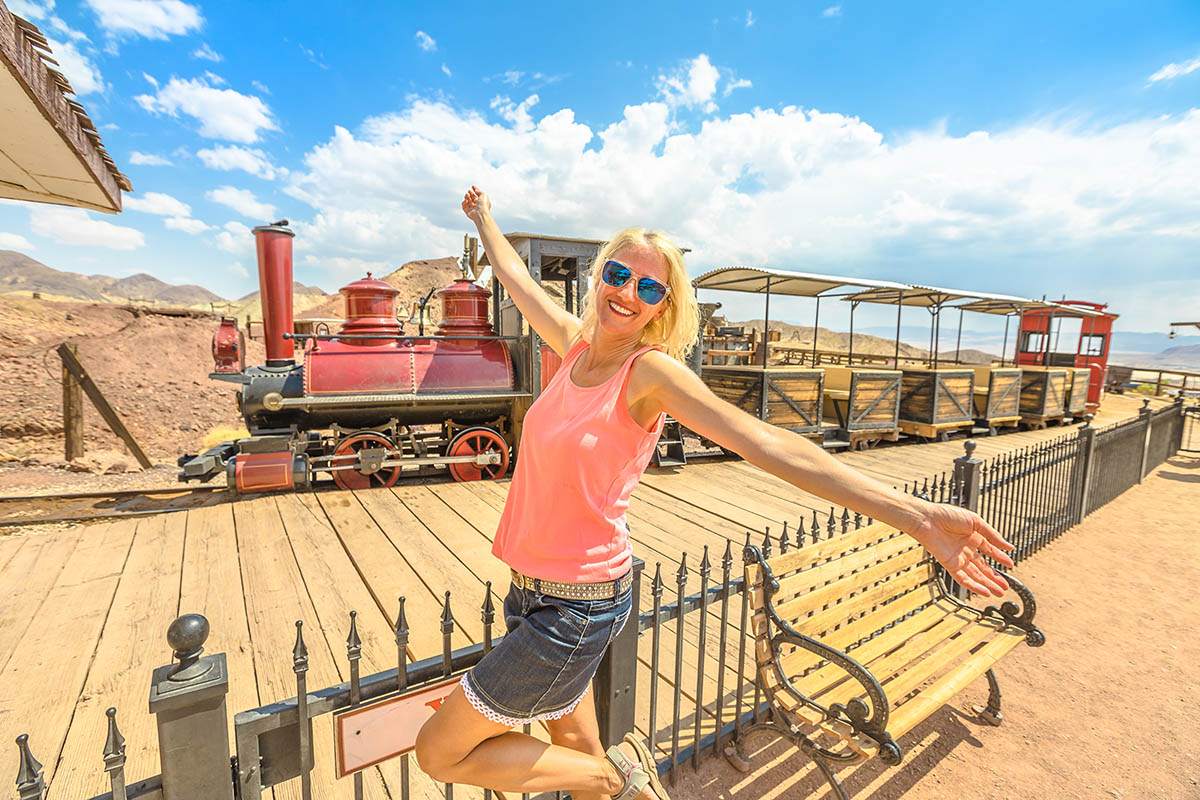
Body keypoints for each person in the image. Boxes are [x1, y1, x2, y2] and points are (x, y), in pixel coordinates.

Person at [413, 186, 1016, 799]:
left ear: (662, 306)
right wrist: (485, 219)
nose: (627, 293)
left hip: (577, 605)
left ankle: (621, 774)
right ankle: (607, 776)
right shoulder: (574, 348)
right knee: (571, 748)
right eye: (619, 275)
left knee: (440, 752)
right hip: (533, 589)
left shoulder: (650, 373)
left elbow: (766, 443)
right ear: (599, 277)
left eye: (649, 288)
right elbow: (518, 281)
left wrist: (912, 514)